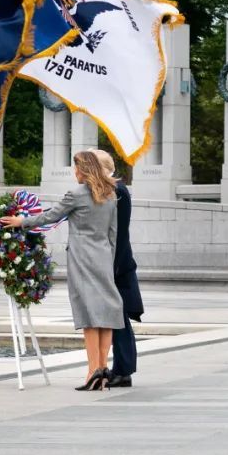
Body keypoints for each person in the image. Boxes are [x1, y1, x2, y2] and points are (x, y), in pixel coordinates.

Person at [1, 151, 122, 391]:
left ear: (85, 170)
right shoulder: (110, 194)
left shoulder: (76, 194)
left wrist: (20, 222)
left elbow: (49, 217)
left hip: (82, 258)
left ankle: (92, 372)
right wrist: (109, 260)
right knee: (106, 313)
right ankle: (103, 370)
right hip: (103, 256)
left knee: (88, 314)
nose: (75, 173)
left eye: (76, 169)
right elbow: (113, 233)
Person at [90, 149, 143, 387]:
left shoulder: (118, 190)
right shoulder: (112, 189)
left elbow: (119, 235)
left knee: (118, 319)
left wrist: (111, 269)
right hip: (113, 264)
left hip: (117, 266)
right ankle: (121, 369)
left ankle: (123, 371)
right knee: (116, 319)